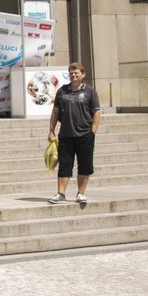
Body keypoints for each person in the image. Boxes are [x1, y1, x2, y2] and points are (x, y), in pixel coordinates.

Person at [48, 62, 101, 205]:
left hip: (85, 135)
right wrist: (51, 130)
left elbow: (96, 112)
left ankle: (81, 193)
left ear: (83, 74)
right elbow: (55, 112)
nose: (73, 75)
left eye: (76, 72)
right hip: (66, 134)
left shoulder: (90, 91)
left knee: (85, 165)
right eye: (71, 72)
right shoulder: (62, 91)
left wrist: (93, 132)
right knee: (65, 165)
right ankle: (61, 194)